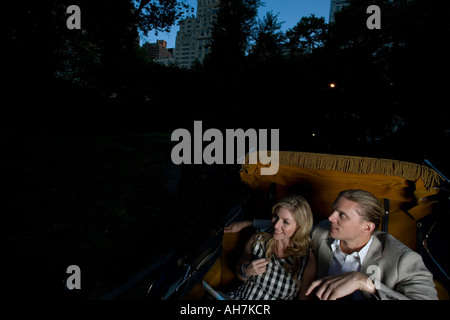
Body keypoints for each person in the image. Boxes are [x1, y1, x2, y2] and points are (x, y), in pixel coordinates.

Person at [225, 189, 438, 300]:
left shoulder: (404, 260)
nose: (330, 217)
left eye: (341, 215)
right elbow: (294, 223)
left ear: (367, 227)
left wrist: (366, 284)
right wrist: (249, 223)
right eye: (334, 210)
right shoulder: (322, 232)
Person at [226, 195, 316, 300]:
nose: (276, 225)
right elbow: (239, 274)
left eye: (286, 222)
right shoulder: (258, 239)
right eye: (275, 217)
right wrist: (246, 271)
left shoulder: (307, 259)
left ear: (300, 227)